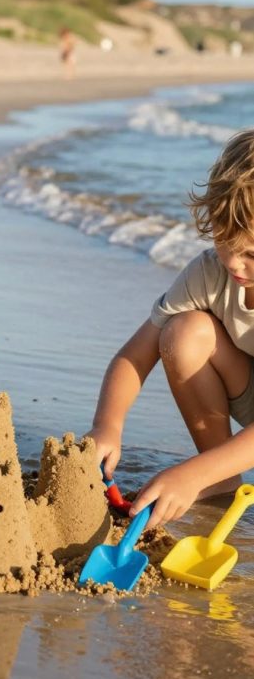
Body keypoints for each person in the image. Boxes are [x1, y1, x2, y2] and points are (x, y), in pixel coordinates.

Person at [88, 128, 254, 529]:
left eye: (250, 253)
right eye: (222, 238)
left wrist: (191, 473)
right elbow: (135, 354)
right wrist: (107, 426)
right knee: (182, 334)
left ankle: (206, 472)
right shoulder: (211, 273)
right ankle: (222, 480)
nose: (233, 263)